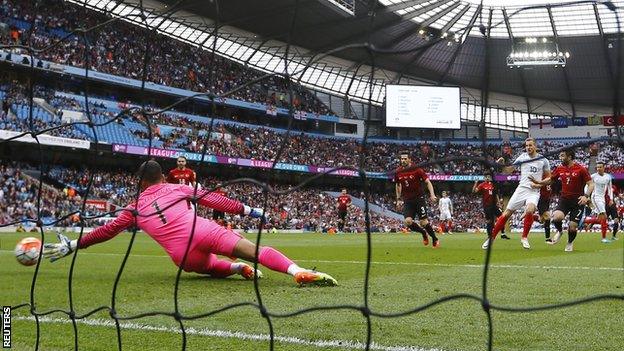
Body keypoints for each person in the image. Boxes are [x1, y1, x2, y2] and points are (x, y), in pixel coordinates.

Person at [43, 160, 337, 287]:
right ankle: (296, 271)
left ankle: (236, 268)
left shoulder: (133, 209)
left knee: (208, 268)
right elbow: (214, 200)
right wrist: (249, 210)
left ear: (140, 182)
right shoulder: (179, 188)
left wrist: (74, 244)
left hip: (182, 256)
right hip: (203, 230)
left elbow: (106, 232)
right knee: (256, 249)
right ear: (163, 177)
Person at [482, 138, 550, 250]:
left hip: (534, 191)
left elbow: (549, 178)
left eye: (530, 145)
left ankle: (524, 238)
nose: (528, 147)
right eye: (526, 145)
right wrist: (501, 165)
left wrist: (539, 185)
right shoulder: (522, 157)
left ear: (535, 146)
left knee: (530, 209)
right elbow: (508, 171)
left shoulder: (543, 160)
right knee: (506, 214)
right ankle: (491, 238)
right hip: (521, 189)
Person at [529, 150, 593, 252]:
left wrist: (586, 196)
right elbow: (550, 179)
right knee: (556, 217)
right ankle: (560, 231)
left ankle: (570, 242)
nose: (560, 158)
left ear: (570, 157)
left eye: (562, 156)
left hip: (578, 201)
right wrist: (538, 183)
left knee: (572, 227)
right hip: (564, 199)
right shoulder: (560, 168)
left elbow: (591, 184)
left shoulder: (581, 169)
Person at [394, 151, 439, 248]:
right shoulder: (398, 171)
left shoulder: (417, 170)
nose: (403, 160)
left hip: (419, 199)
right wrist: (398, 199)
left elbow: (428, 182)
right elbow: (398, 185)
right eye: (402, 159)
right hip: (408, 200)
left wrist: (432, 195)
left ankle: (435, 239)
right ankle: (423, 233)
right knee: (407, 222)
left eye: (405, 158)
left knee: (423, 222)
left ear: (410, 159)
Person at [473, 174, 508, 239]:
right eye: (486, 177)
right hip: (487, 206)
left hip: (494, 205)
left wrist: (499, 203)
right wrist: (476, 183)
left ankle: (503, 234)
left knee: (502, 217)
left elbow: (496, 194)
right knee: (490, 221)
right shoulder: (482, 185)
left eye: (488, 177)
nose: (487, 178)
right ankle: (489, 236)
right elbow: (474, 191)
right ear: (484, 178)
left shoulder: (492, 185)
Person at [589, 162, 613, 243]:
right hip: (595, 197)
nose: (598, 168)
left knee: (601, 217)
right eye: (597, 167)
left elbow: (610, 189)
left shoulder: (608, 177)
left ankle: (587, 222)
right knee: (604, 216)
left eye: (600, 167)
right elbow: (587, 186)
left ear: (604, 167)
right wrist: (587, 196)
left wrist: (611, 199)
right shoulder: (593, 176)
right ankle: (604, 238)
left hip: (602, 198)